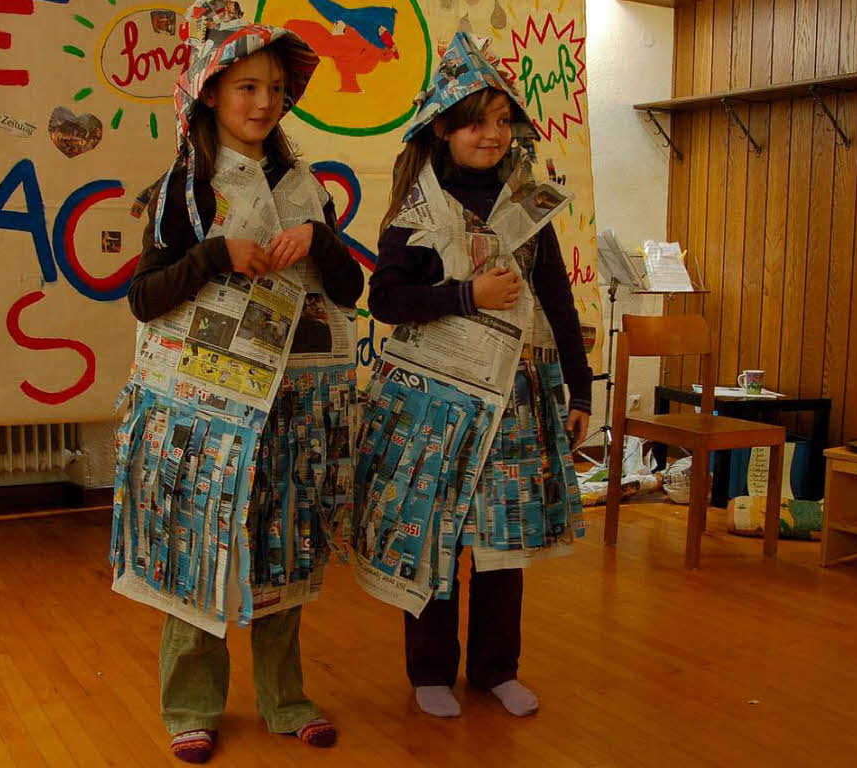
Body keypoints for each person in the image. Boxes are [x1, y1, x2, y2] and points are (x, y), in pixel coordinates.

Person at [124, 2, 363, 762]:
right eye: (245, 89)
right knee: (197, 545)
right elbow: (143, 296)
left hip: (293, 402)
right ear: (210, 96)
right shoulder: (183, 189)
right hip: (207, 410)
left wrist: (320, 241)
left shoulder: (304, 186)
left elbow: (349, 292)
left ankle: (285, 699)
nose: (263, 103)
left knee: (285, 550)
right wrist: (217, 254)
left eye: (273, 90)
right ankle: (189, 705)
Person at [366, 31, 591, 720]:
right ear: (443, 126)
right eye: (475, 120)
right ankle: (430, 669)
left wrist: (580, 389)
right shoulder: (415, 212)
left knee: (502, 539)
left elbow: (557, 298)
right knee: (433, 533)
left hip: (512, 400)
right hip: (433, 402)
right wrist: (465, 296)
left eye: (501, 120)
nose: (491, 134)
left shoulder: (527, 206)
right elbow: (385, 301)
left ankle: (496, 667)